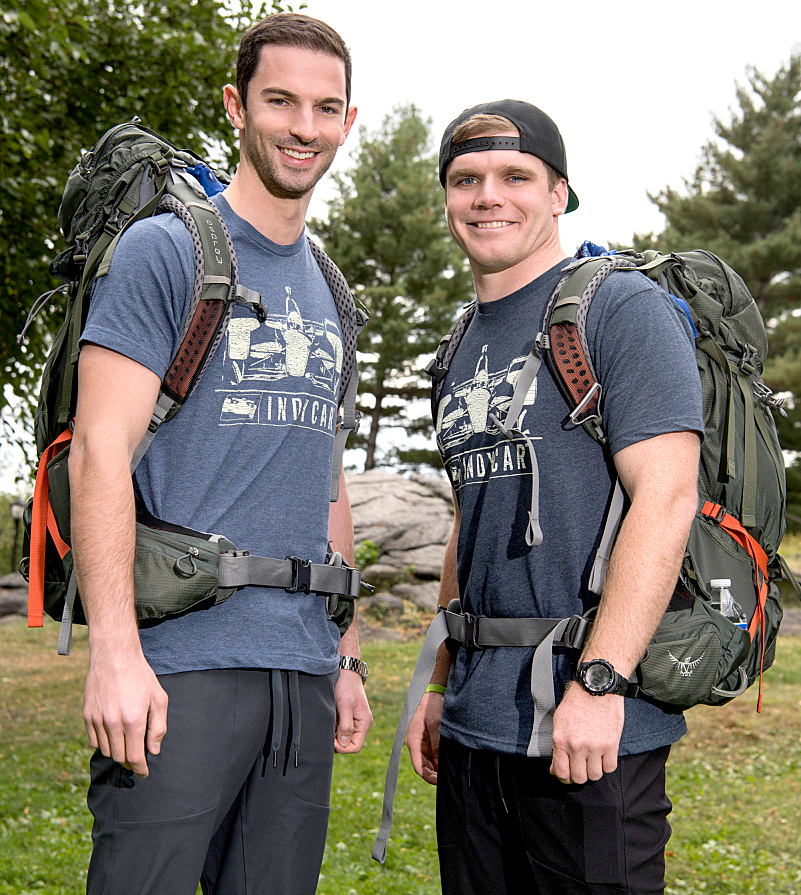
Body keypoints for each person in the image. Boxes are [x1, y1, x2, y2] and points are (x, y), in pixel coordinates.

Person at [69, 14, 371, 895]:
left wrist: (345, 653)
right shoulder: (166, 251)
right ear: (238, 106)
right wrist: (114, 653)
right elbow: (100, 450)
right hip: (180, 666)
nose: (303, 127)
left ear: (348, 122)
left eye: (325, 108)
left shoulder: (332, 288)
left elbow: (326, 479)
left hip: (302, 672)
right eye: (280, 101)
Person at [405, 99, 704, 895]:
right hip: (475, 729)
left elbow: (666, 496)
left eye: (514, 176)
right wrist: (439, 683)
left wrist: (601, 682)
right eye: (465, 179)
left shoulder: (617, 307)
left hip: (590, 725)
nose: (487, 196)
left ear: (558, 193)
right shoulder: (458, 345)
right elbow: (469, 520)